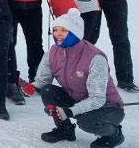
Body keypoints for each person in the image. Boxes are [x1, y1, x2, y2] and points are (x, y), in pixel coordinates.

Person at [25, 9, 125, 148]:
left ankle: (114, 134)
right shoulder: (53, 52)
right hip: (77, 99)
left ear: (75, 33)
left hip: (107, 107)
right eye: (55, 29)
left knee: (85, 121)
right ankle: (65, 130)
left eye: (64, 30)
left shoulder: (95, 57)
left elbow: (97, 99)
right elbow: (43, 81)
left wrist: (70, 111)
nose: (57, 34)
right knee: (48, 91)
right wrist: (33, 87)